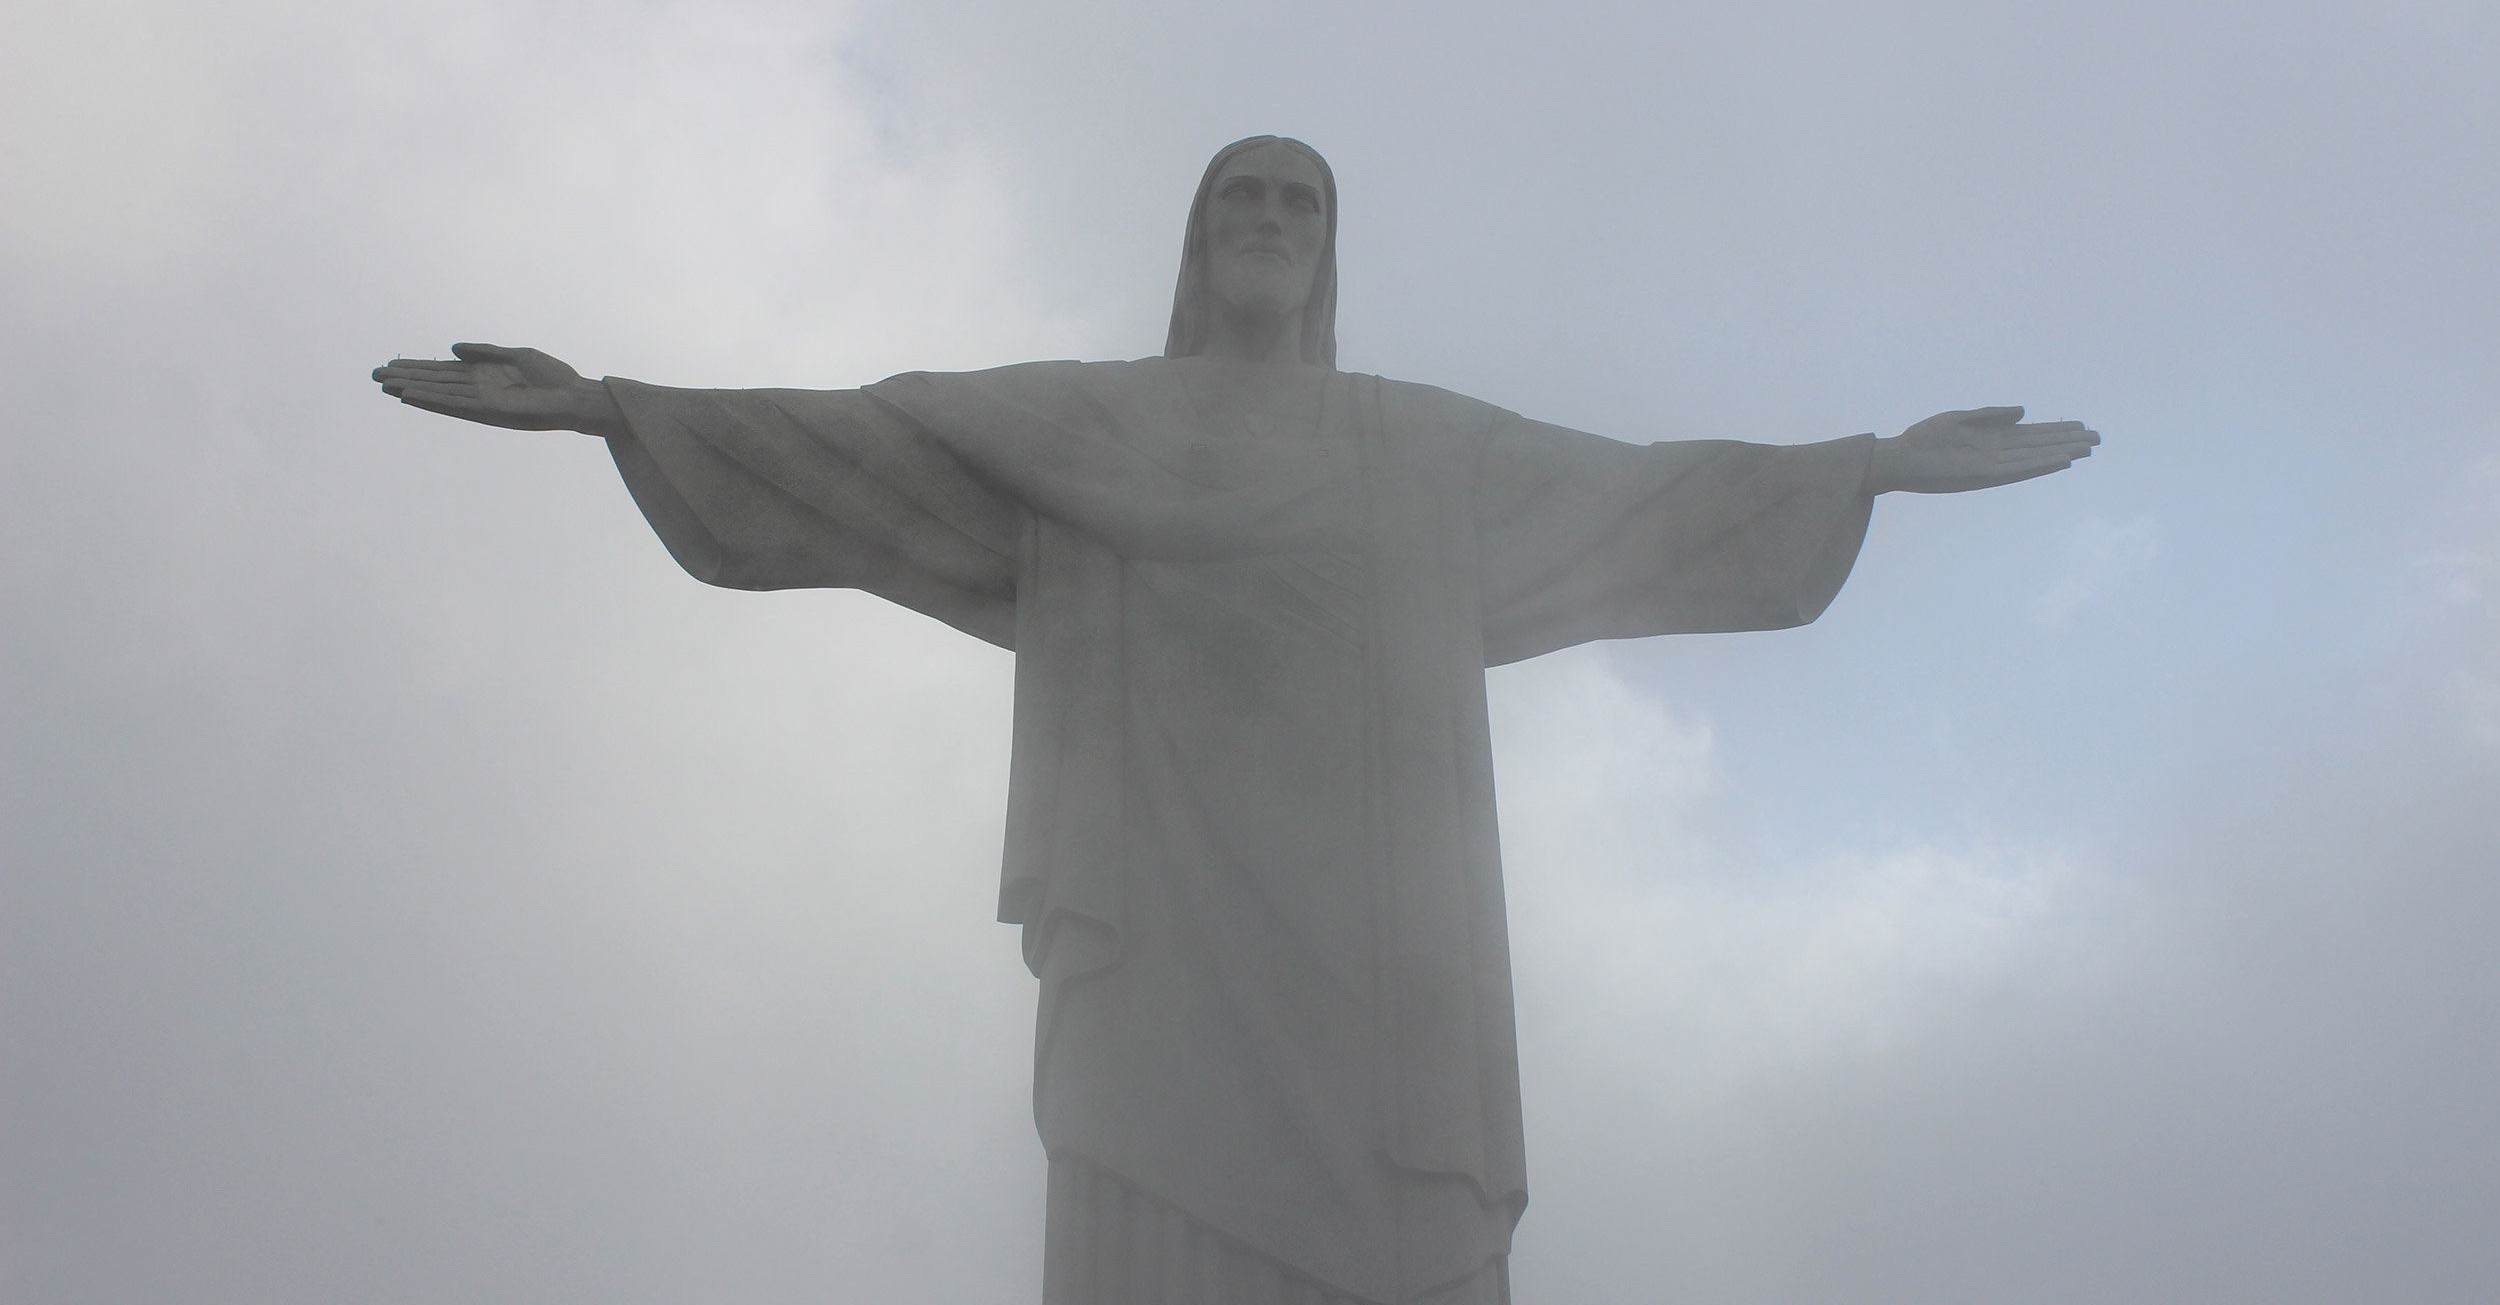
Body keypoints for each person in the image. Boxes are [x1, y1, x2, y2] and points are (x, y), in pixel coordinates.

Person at [374, 135, 2097, 1305]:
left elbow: (1639, 500)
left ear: (1330, 250)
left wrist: (1872, 465)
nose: (1268, 222)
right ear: (1197, 246)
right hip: (1165, 927)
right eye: (1238, 201)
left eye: (1298, 204)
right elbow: (861, 453)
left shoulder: (1416, 446)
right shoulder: (1082, 426)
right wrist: (608, 408)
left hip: (1375, 943)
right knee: (1148, 1217)